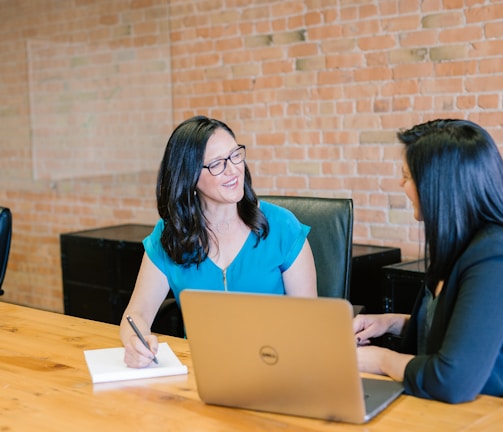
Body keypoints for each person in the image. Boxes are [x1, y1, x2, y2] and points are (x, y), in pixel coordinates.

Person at [120, 115, 317, 367]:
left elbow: (310, 322)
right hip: (200, 371)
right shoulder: (169, 236)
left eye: (236, 155)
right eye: (216, 164)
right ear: (189, 177)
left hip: (275, 366)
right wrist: (135, 343)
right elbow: (136, 314)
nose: (234, 169)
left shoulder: (282, 227)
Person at [353, 118, 503, 403]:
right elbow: (455, 328)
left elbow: (452, 379)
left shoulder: (493, 256)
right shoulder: (458, 244)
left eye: (407, 176)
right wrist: (391, 322)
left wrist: (382, 360)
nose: (401, 184)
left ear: (438, 186)